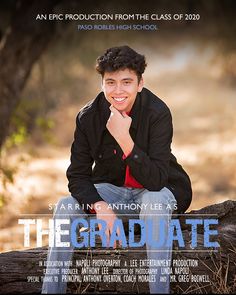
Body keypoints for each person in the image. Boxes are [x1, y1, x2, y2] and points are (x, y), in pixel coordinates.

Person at [42, 45, 192, 294]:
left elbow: (156, 181)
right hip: (113, 193)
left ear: (140, 83)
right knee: (64, 206)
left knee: (154, 203)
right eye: (110, 82)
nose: (118, 91)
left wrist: (124, 139)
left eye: (126, 82)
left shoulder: (158, 113)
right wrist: (99, 206)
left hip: (156, 191)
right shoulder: (88, 117)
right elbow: (77, 175)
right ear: (102, 84)